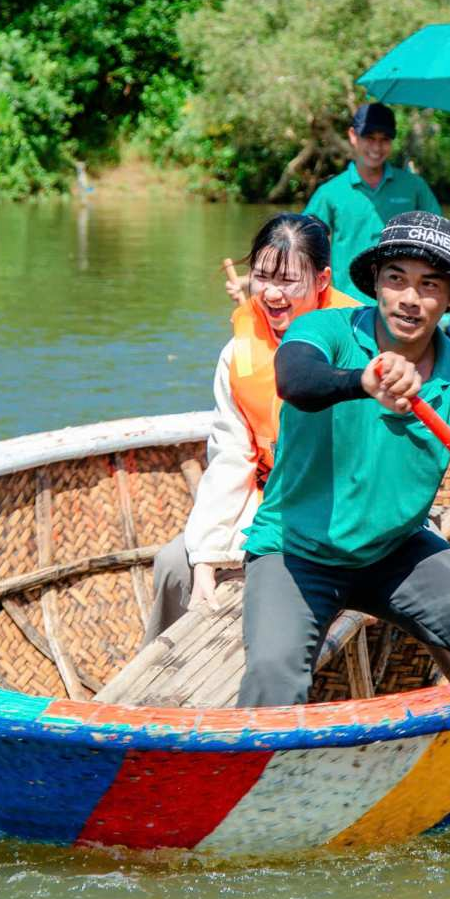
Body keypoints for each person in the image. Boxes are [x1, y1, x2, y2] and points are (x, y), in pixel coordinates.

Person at [236, 211, 450, 708]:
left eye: (429, 285)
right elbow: (297, 380)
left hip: (394, 550)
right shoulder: (324, 329)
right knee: (272, 676)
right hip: (294, 549)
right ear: (376, 282)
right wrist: (362, 382)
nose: (409, 300)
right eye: (396, 279)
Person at [145, 214, 359, 643]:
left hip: (346, 507)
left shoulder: (360, 339)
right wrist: (206, 553)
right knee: (174, 562)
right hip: (267, 499)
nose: (272, 294)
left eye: (287, 281)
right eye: (261, 277)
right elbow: (229, 459)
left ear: (322, 281)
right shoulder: (237, 355)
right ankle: (149, 680)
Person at [303, 103, 448, 300]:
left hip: (404, 302)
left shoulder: (414, 187)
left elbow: (441, 240)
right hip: (348, 305)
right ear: (353, 136)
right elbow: (302, 246)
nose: (377, 147)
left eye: (384, 139)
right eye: (369, 138)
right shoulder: (329, 193)